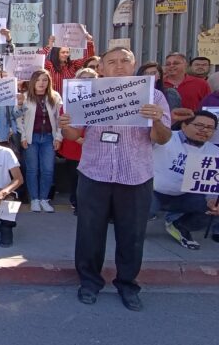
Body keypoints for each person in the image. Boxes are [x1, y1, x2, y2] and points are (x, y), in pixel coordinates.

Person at [60, 47, 172, 312]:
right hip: (94, 173)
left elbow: (163, 138)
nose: (119, 66)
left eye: (125, 61)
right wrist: (64, 123)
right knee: (89, 232)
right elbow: (72, 134)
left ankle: (127, 284)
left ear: (134, 65)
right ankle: (89, 282)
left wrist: (156, 121)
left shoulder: (153, 96)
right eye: (112, 62)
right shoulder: (88, 94)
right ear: (101, 68)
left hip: (135, 176)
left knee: (132, 235)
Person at [153, 111, 219, 249]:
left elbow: (211, 184)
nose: (204, 130)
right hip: (152, 193)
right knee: (132, 222)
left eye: (210, 128)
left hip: (185, 197)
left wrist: (213, 201)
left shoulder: (215, 152)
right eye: (199, 125)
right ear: (184, 125)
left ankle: (180, 226)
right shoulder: (165, 137)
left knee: (213, 206)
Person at [17, 69, 63, 213]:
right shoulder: (25, 97)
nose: (41, 83)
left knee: (48, 170)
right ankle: (35, 199)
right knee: (32, 169)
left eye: (44, 80)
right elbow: (19, 119)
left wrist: (58, 137)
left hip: (49, 137)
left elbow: (60, 119)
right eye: (38, 80)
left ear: (49, 82)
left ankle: (44, 199)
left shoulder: (55, 97)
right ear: (32, 82)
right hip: (32, 137)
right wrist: (23, 136)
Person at [57, 68, 97, 214]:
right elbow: (63, 118)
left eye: (91, 79)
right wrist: (80, 139)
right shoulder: (70, 99)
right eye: (84, 79)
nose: (87, 82)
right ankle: (77, 203)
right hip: (74, 146)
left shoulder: (103, 98)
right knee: (76, 178)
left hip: (94, 147)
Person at [39, 31, 96, 96]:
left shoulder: (73, 65)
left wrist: (89, 42)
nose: (66, 54)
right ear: (56, 53)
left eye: (67, 52)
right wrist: (49, 46)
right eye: (63, 52)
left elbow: (88, 59)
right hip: (54, 101)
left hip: (71, 100)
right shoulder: (49, 65)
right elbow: (38, 59)